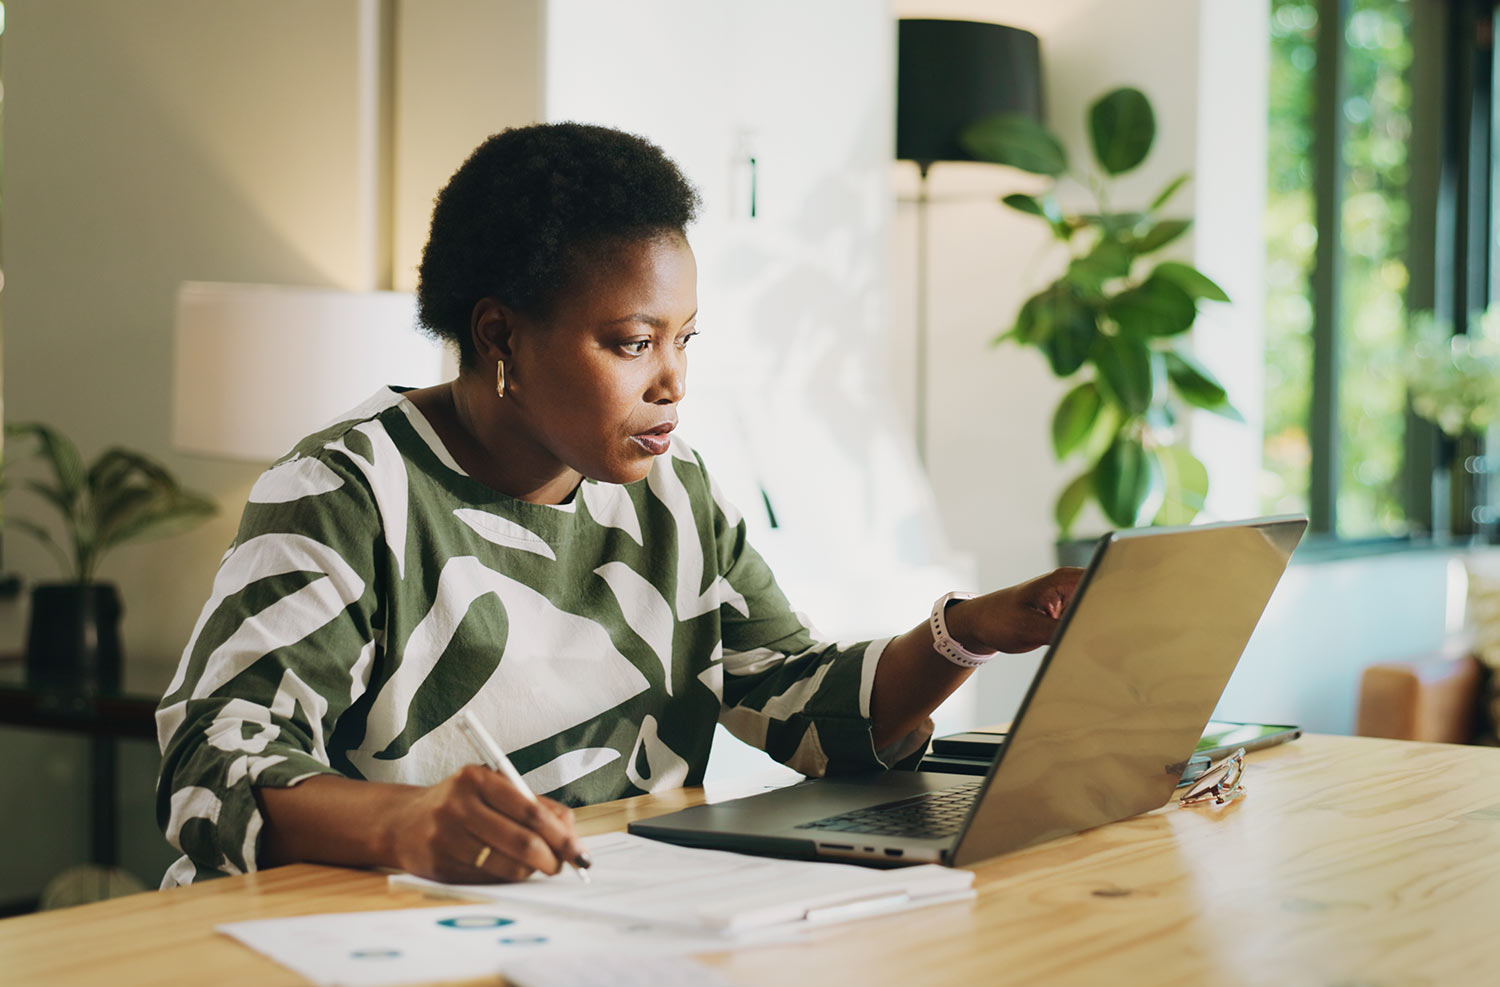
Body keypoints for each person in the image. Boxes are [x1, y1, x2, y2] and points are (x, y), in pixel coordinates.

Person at [155, 122, 1082, 889]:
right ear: (499, 335)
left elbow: (802, 709)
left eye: (685, 339)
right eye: (634, 343)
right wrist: (404, 824)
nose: (673, 383)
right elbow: (210, 767)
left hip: (603, 932)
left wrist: (970, 631)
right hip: (359, 947)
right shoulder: (348, 492)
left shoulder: (675, 499)